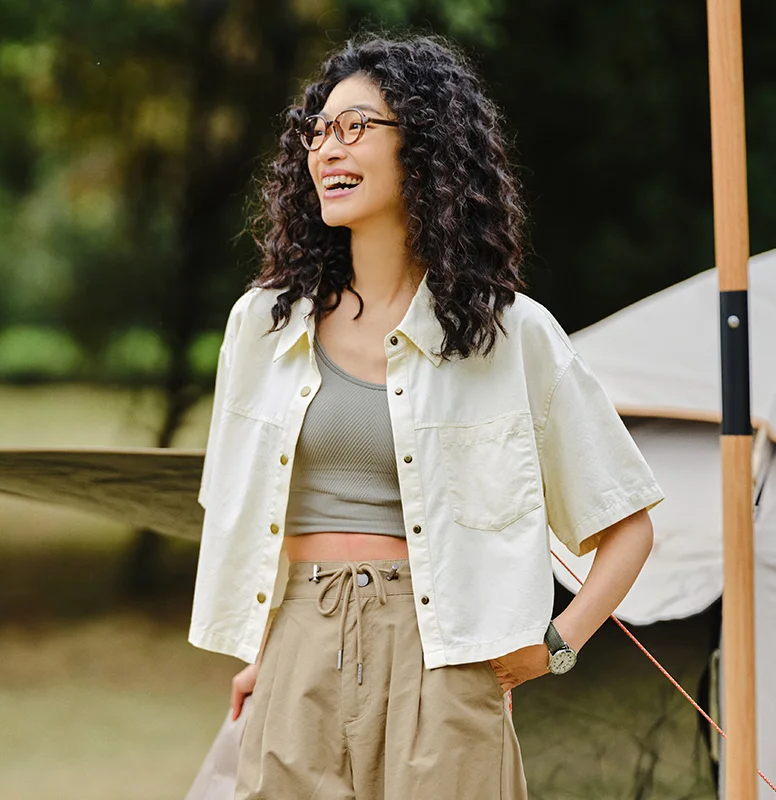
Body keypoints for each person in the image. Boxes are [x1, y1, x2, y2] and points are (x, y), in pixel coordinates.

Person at [188, 32, 664, 800]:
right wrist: (268, 652)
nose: (326, 150)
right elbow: (254, 513)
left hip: (444, 665)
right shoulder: (262, 326)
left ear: (427, 147)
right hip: (297, 655)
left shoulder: (512, 335)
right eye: (317, 131)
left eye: (355, 127)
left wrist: (556, 647)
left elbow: (627, 524)